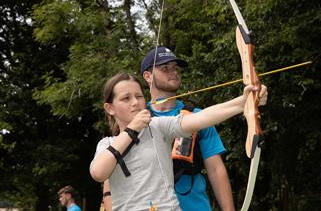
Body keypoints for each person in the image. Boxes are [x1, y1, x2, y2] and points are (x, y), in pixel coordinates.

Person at [89, 72, 267, 210]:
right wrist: (131, 130)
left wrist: (243, 102)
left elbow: (200, 118)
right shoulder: (107, 144)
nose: (135, 102)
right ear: (110, 108)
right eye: (126, 98)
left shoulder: (158, 127)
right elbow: (98, 172)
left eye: (139, 96)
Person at [141, 46, 263, 211]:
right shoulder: (138, 118)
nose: (174, 72)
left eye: (176, 68)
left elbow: (215, 169)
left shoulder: (197, 116)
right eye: (165, 68)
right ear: (148, 76)